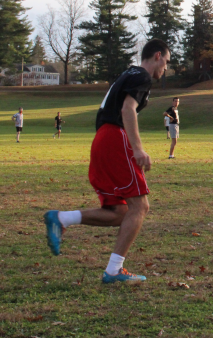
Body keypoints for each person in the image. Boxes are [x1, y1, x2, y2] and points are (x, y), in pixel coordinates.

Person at [43, 39, 170, 284]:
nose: (166, 67)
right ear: (157, 56)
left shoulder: (127, 74)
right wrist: (138, 149)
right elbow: (127, 110)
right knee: (140, 207)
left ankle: (61, 218)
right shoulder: (142, 76)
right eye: (166, 61)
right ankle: (113, 271)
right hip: (114, 137)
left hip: (101, 139)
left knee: (120, 212)